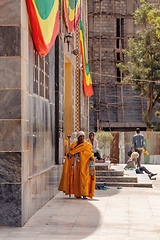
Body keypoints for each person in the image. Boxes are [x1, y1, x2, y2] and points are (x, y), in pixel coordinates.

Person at [58, 131, 95, 199]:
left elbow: (89, 153)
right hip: (76, 164)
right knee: (76, 179)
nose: (82, 138)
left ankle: (84, 194)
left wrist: (90, 157)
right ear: (78, 138)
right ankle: (78, 194)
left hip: (84, 164)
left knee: (84, 179)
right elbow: (70, 152)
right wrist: (70, 154)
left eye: (83, 136)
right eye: (80, 136)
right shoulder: (73, 145)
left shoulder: (87, 145)